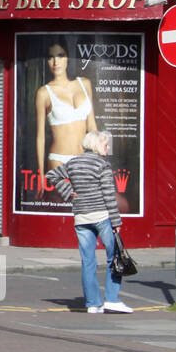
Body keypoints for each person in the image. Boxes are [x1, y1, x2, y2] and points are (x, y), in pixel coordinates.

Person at [44, 130, 132, 314]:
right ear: (97, 145)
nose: (107, 148)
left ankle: (92, 303)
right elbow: (109, 195)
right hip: (102, 216)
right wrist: (116, 221)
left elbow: (52, 175)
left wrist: (68, 192)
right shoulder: (102, 165)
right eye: (106, 144)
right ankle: (112, 299)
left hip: (81, 218)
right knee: (114, 257)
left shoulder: (73, 163)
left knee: (88, 261)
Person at [34, 39, 97, 176]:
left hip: (84, 160)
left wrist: (97, 160)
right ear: (47, 61)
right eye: (51, 57)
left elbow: (92, 125)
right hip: (59, 161)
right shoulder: (44, 93)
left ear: (68, 58)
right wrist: (41, 174)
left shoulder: (85, 84)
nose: (56, 62)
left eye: (60, 56)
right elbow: (40, 137)